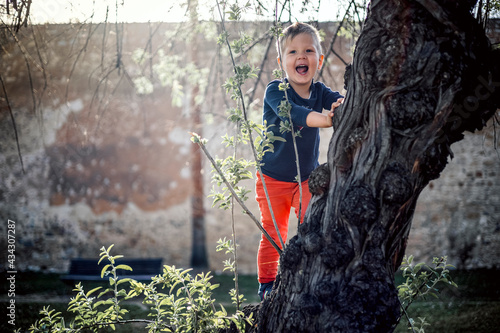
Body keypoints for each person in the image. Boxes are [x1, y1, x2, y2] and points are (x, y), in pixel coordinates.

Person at [256, 22, 344, 300]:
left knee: (312, 224)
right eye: (293, 52)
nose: (301, 56)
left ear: (319, 58)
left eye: (309, 50)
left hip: (306, 177)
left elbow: (340, 101)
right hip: (272, 178)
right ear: (282, 62)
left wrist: (341, 105)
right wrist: (328, 120)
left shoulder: (320, 91)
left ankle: (312, 276)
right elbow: (295, 114)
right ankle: (268, 284)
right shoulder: (275, 91)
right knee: (274, 231)